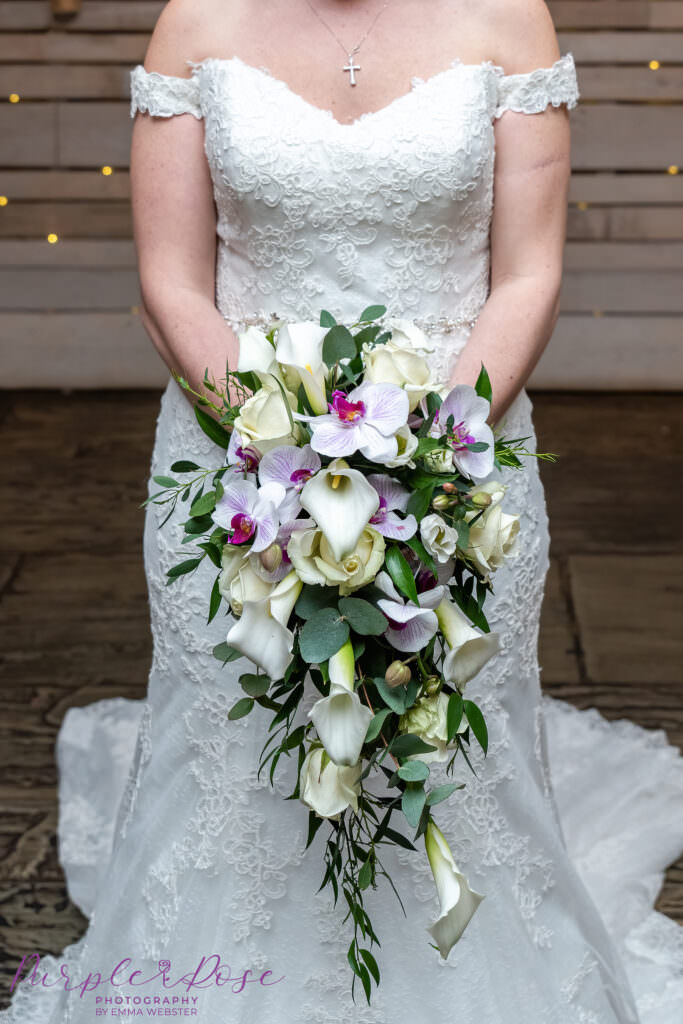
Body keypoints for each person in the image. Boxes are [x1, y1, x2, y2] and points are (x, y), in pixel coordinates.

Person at [3, 1, 683, 1022]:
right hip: (234, 469)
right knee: (243, 750)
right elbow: (170, 284)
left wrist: (423, 454)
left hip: (458, 451)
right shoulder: (193, 22)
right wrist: (284, 453)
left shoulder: (508, 20)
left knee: (440, 736)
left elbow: (528, 274)